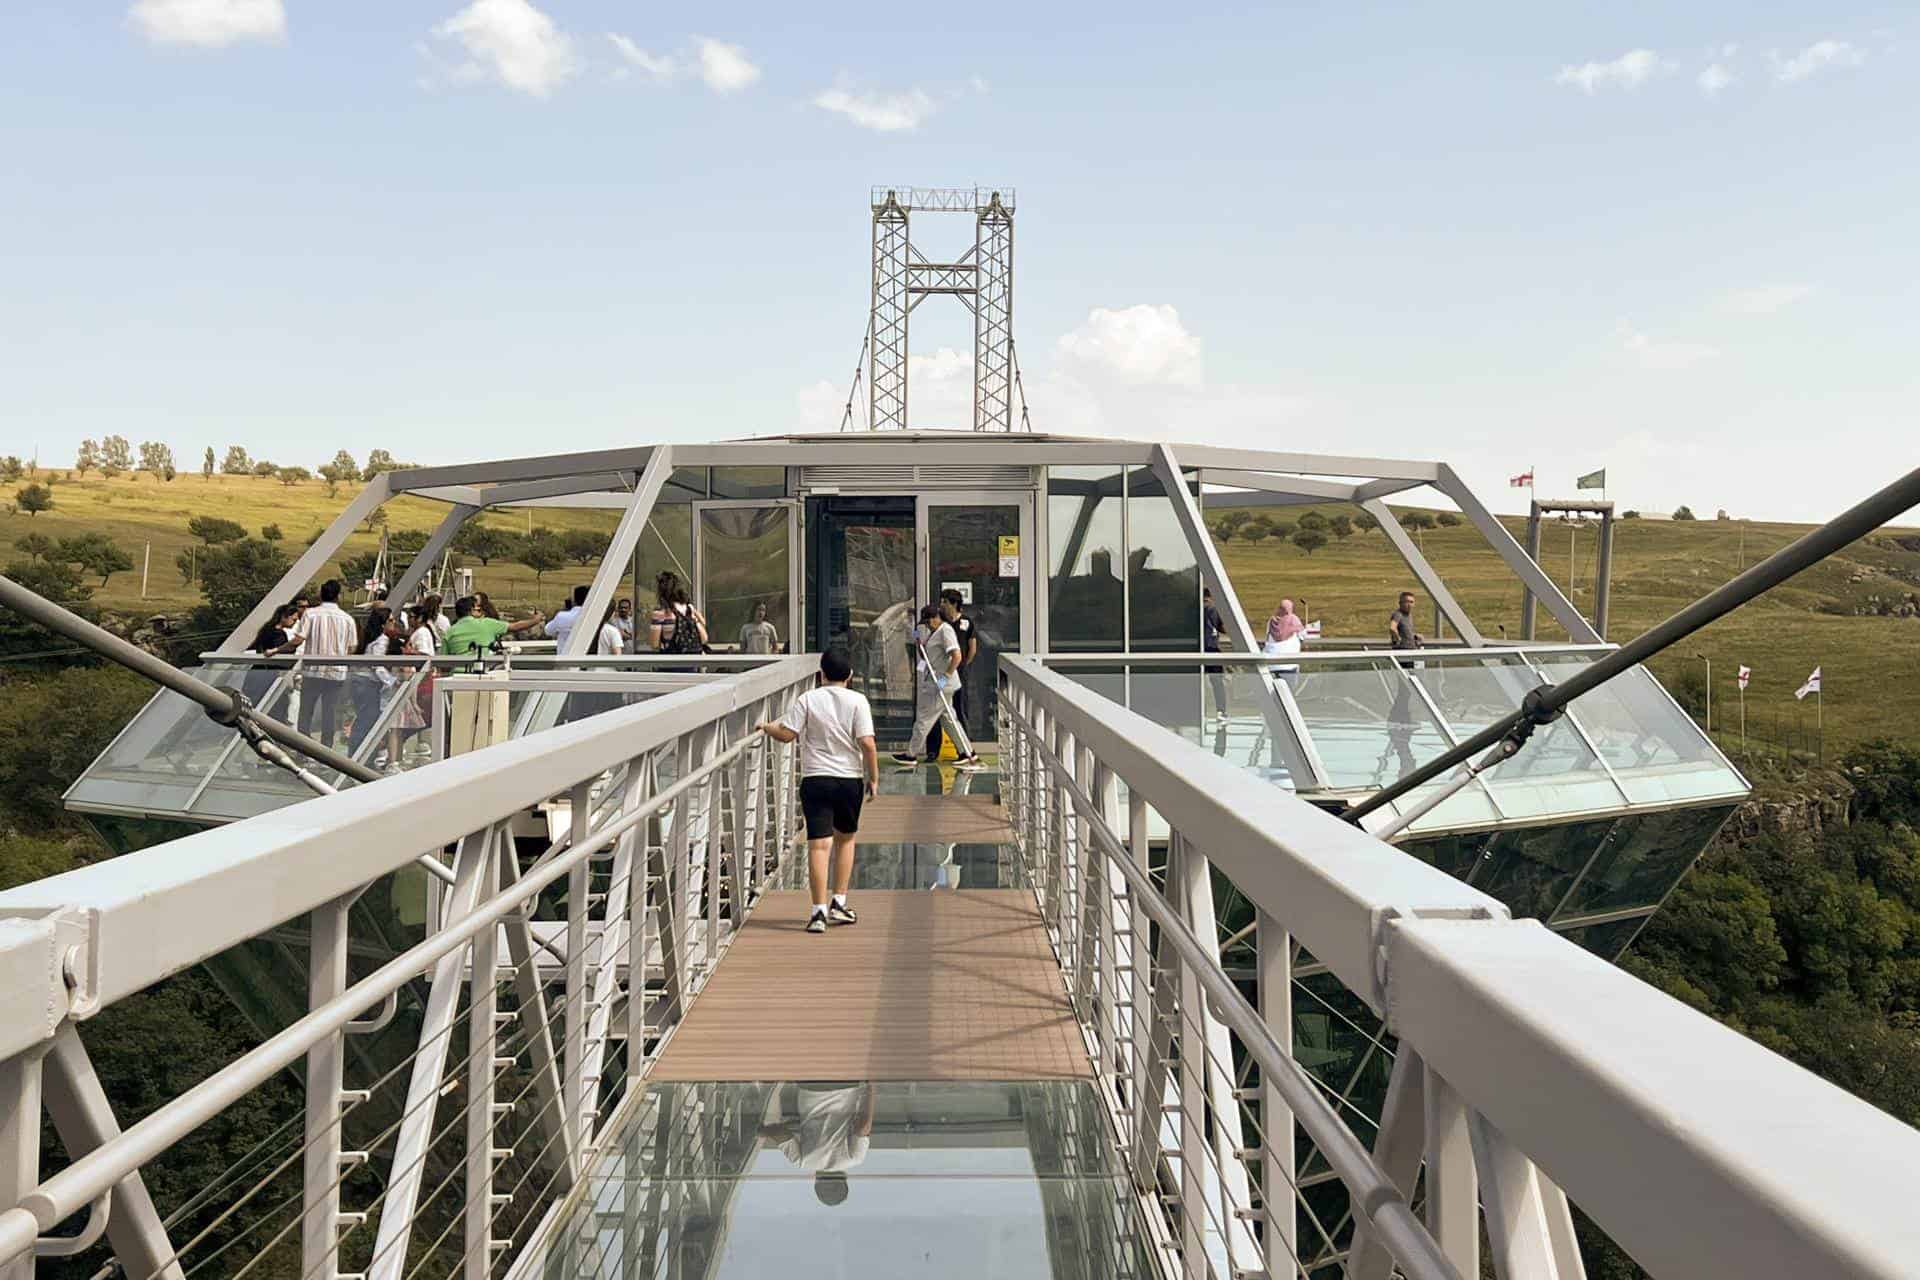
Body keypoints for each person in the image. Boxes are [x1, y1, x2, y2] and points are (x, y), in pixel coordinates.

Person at [757, 648, 878, 935]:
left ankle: (818, 912)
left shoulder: (808, 699)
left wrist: (766, 727)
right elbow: (868, 743)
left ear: (820, 674)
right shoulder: (858, 701)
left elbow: (787, 734)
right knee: (845, 840)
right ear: (850, 675)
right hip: (849, 780)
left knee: (818, 845)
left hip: (816, 779)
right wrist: (873, 778)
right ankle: (840, 900)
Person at [759, 1082, 876, 1207]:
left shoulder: (854, 1159)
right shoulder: (803, 1161)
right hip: (810, 1090)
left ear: (845, 1180)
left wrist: (871, 1090)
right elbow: (779, 1132)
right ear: (816, 1182)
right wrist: (762, 1132)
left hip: (846, 1087)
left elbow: (864, 1127)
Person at [893, 604, 967, 769]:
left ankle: (911, 755)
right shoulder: (935, 632)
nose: (927, 625)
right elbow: (923, 654)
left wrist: (944, 678)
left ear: (936, 618)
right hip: (938, 683)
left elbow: (957, 656)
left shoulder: (945, 630)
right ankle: (967, 752)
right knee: (949, 720)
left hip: (941, 684)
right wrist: (916, 635)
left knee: (924, 719)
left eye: (928, 622)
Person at [294, 580, 357, 746]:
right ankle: (326, 749)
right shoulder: (347, 619)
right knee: (329, 713)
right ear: (338, 596)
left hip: (312, 670)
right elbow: (352, 647)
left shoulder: (310, 614)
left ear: (321, 594)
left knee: (306, 711)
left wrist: (277, 650)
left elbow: (299, 638)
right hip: (336, 672)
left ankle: (303, 747)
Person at [923, 590, 981, 767]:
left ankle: (963, 750)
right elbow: (924, 643)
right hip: (942, 675)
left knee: (957, 710)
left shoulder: (966, 622)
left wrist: (962, 666)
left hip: (955, 674)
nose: (942, 605)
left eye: (945, 602)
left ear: (954, 603)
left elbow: (971, 648)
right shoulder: (940, 623)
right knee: (938, 714)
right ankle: (933, 750)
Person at [441, 595, 544, 661]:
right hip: (483, 675)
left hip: (455, 678)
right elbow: (515, 626)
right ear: (471, 610)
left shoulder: (449, 632)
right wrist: (536, 620)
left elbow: (443, 661)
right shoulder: (487, 623)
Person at [244, 604, 304, 706]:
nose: (295, 623)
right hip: (269, 676)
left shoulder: (266, 630)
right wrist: (295, 643)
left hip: (256, 672)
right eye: (293, 619)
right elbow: (284, 652)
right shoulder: (279, 634)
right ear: (284, 616)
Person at [649, 572, 708, 656]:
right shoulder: (689, 608)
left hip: (671, 662)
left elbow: (654, 644)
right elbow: (704, 637)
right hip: (692, 662)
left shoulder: (660, 612)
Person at [1202, 587, 1228, 722]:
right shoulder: (1212, 609)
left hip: (1196, 651)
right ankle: (1221, 711)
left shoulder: (1192, 609)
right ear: (1210, 596)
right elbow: (1222, 628)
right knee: (1217, 682)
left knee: (1196, 682)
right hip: (1212, 649)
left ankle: (1201, 711)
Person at [545, 585, 591, 650]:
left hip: (565, 658)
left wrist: (564, 610)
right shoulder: (594, 617)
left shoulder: (561, 616)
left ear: (574, 600)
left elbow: (548, 630)